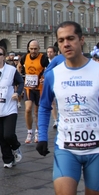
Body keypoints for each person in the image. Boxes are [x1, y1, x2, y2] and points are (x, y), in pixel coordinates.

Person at [37, 21, 99, 195]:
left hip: (97, 149)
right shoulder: (53, 75)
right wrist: (42, 136)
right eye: (61, 40)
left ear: (81, 40)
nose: (66, 44)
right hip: (66, 148)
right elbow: (43, 106)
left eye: (70, 38)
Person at [17, 40, 49, 143]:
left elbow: (49, 69)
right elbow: (19, 65)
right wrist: (19, 76)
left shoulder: (43, 58)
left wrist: (44, 77)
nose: (33, 51)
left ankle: (37, 132)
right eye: (31, 49)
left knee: (37, 111)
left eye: (35, 49)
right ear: (28, 49)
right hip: (28, 88)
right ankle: (29, 132)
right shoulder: (25, 57)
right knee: (28, 109)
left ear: (39, 48)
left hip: (40, 89)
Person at [46, 46, 59, 129]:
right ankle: (55, 120)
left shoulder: (58, 61)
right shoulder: (45, 61)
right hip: (50, 84)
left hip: (58, 83)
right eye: (48, 52)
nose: (49, 53)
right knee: (52, 102)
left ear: (55, 53)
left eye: (51, 52)